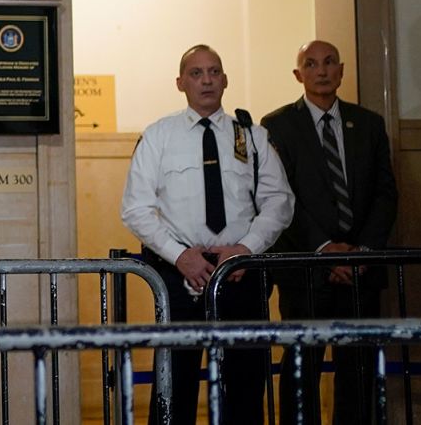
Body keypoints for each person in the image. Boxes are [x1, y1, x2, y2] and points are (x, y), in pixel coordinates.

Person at [121, 45, 294, 425]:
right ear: (180, 82)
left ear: (226, 80)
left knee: (246, 381)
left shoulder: (252, 136)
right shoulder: (158, 136)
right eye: (196, 73)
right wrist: (180, 256)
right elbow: (135, 208)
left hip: (240, 272)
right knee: (175, 383)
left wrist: (244, 249)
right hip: (179, 274)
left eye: (214, 72)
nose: (206, 80)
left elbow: (279, 201)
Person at [262, 40, 398, 424]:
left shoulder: (369, 124)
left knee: (358, 369)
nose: (321, 70)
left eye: (329, 63)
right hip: (305, 270)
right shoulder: (277, 125)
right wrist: (324, 248)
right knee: (301, 369)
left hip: (361, 271)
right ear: (298, 74)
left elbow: (385, 194)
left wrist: (361, 252)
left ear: (341, 70)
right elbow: (281, 198)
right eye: (311, 63)